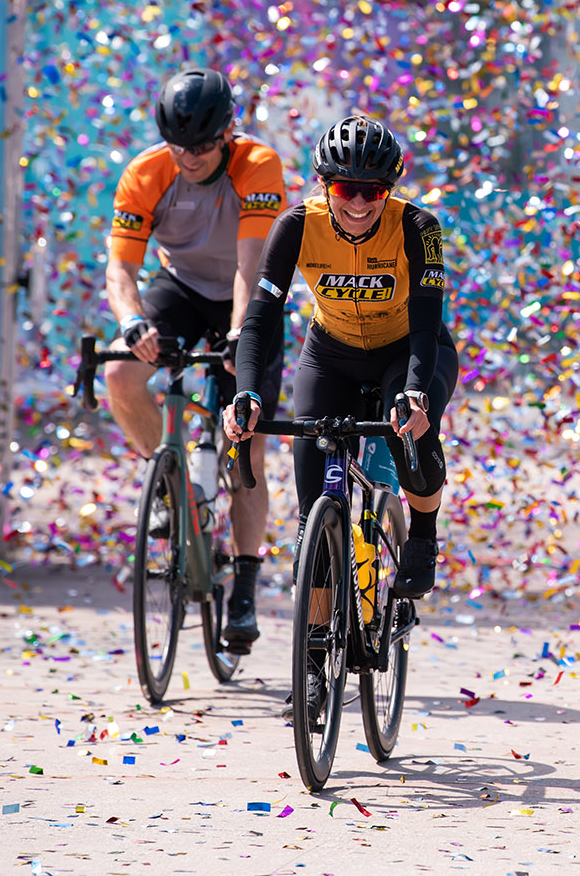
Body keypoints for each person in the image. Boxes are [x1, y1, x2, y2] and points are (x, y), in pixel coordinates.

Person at [223, 116, 459, 719]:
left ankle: (423, 537)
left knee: (411, 439)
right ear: (324, 185)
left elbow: (428, 322)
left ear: (390, 188)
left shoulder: (419, 228)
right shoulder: (296, 225)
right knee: (313, 519)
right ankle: (312, 663)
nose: (358, 203)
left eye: (373, 191)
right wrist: (246, 395)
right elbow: (258, 322)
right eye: (345, 189)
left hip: (407, 350)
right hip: (328, 354)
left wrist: (414, 394)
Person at [103, 66, 288, 654]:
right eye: (181, 146)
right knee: (120, 372)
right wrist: (131, 322)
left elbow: (251, 264)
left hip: (245, 293)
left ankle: (245, 587)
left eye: (204, 146)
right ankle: (171, 486)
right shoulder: (146, 171)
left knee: (247, 446)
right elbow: (122, 269)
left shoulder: (256, 165)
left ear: (228, 133)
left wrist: (238, 335)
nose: (191, 158)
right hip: (180, 288)